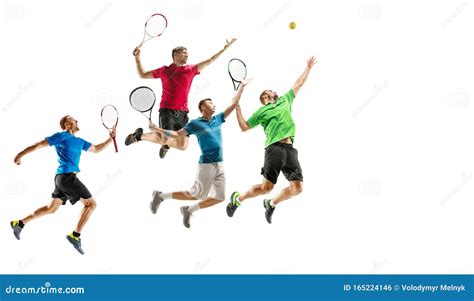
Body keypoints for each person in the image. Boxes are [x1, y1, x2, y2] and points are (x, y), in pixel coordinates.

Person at [147, 80, 250, 228]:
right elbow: (176, 134)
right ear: (203, 106)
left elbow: (234, 104)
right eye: (210, 102)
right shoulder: (195, 124)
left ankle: (189, 210)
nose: (214, 104)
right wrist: (158, 129)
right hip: (207, 164)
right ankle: (161, 196)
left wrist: (242, 87)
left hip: (220, 163)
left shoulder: (218, 119)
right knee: (196, 194)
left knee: (220, 197)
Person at [226, 57, 317, 224]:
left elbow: (298, 84)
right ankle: (237, 199)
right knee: (266, 188)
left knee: (297, 188)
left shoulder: (285, 100)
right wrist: (238, 109)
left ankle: (271, 204)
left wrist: (308, 68)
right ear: (265, 96)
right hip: (274, 149)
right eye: (271, 91)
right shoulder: (261, 111)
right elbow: (244, 127)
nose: (275, 91)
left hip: (290, 149)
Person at [10, 115, 115, 255]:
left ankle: (20, 223)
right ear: (66, 124)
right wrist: (20, 155)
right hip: (67, 178)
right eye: (72, 119)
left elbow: (96, 149)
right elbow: (38, 145)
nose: (77, 120)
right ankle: (75, 236)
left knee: (51, 208)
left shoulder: (79, 141)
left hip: (62, 179)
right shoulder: (61, 136)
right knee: (91, 204)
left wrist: (110, 139)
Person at [126, 38, 237, 159]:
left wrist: (225, 48)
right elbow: (142, 74)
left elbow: (210, 60)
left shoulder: (190, 70)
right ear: (175, 54)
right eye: (184, 53)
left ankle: (166, 145)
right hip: (167, 110)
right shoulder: (164, 70)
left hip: (183, 113)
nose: (187, 55)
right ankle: (139, 136)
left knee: (183, 146)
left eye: (187, 53)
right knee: (164, 138)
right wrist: (137, 58)